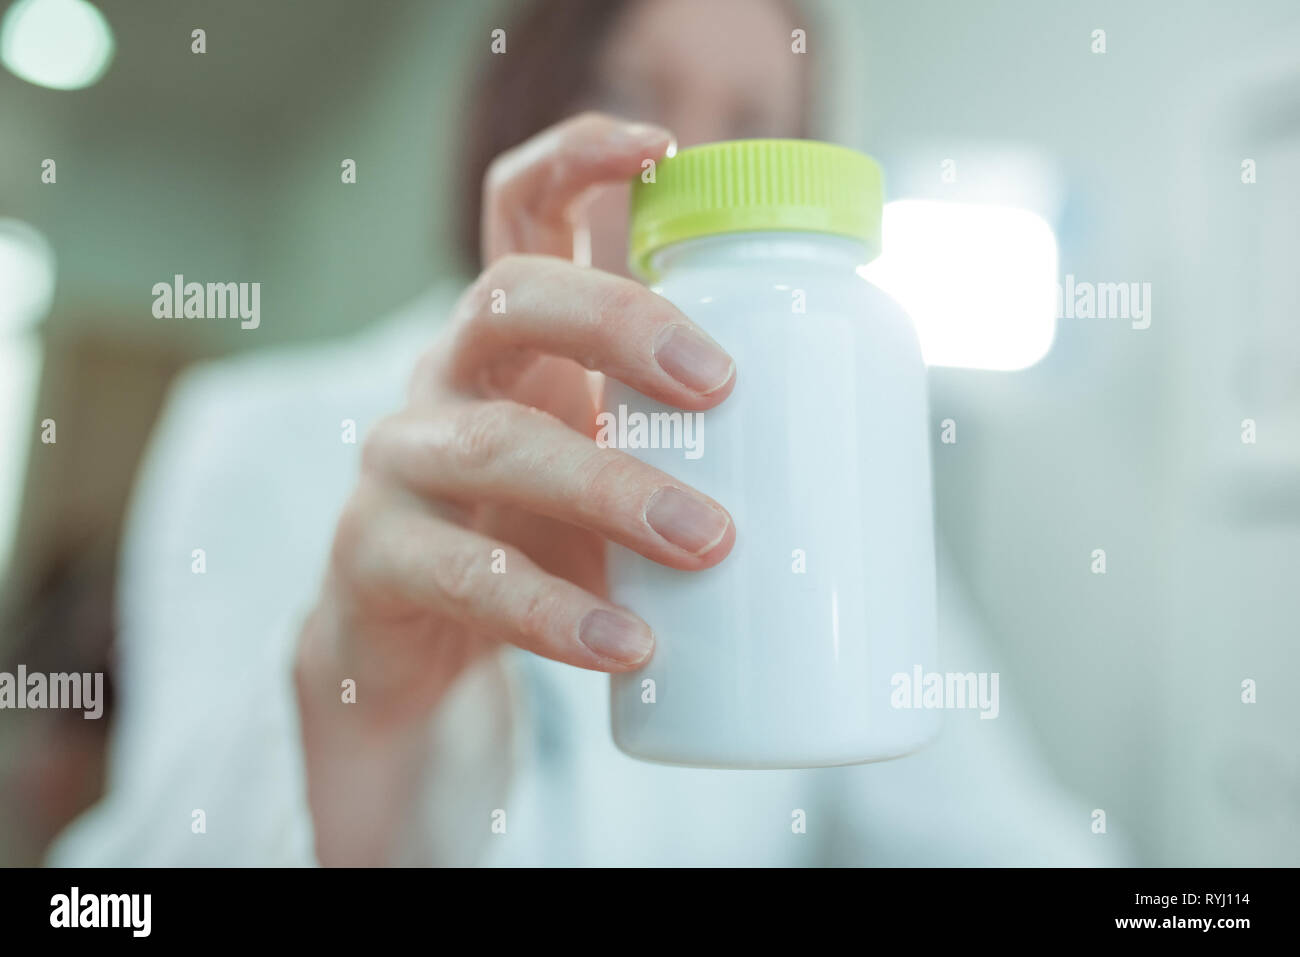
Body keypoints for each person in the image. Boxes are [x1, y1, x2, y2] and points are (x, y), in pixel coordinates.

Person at [49, 0, 1125, 866]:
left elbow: (1003, 836)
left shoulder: (826, 473)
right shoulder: (255, 432)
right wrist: (358, 711)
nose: (691, 164)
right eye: (630, 96)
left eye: (752, 126)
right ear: (521, 108)